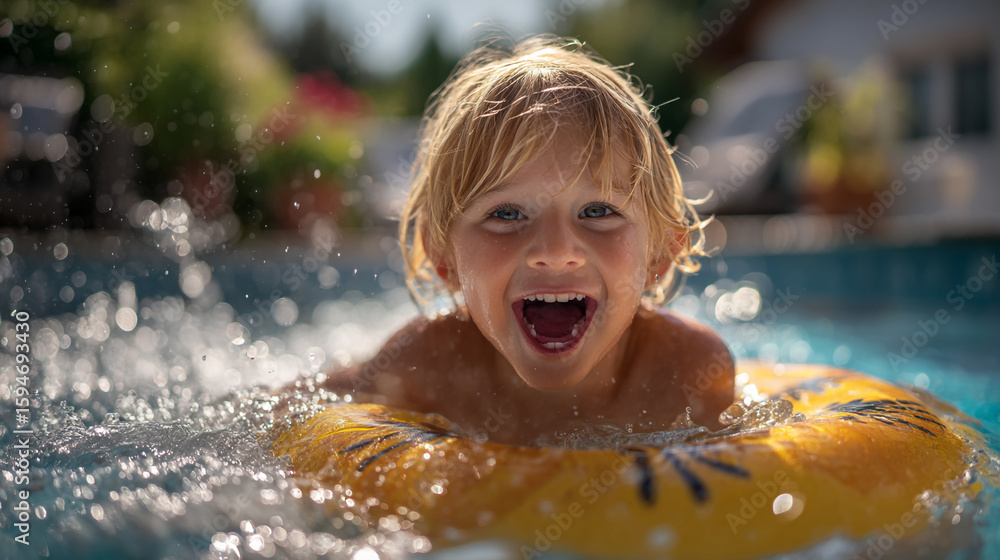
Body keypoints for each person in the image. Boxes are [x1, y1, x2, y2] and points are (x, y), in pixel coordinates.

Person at [299, 35, 734, 446]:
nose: (555, 252)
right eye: (507, 214)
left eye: (598, 211)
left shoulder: (688, 373)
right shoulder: (423, 368)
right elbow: (296, 409)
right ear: (443, 258)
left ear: (660, 254)